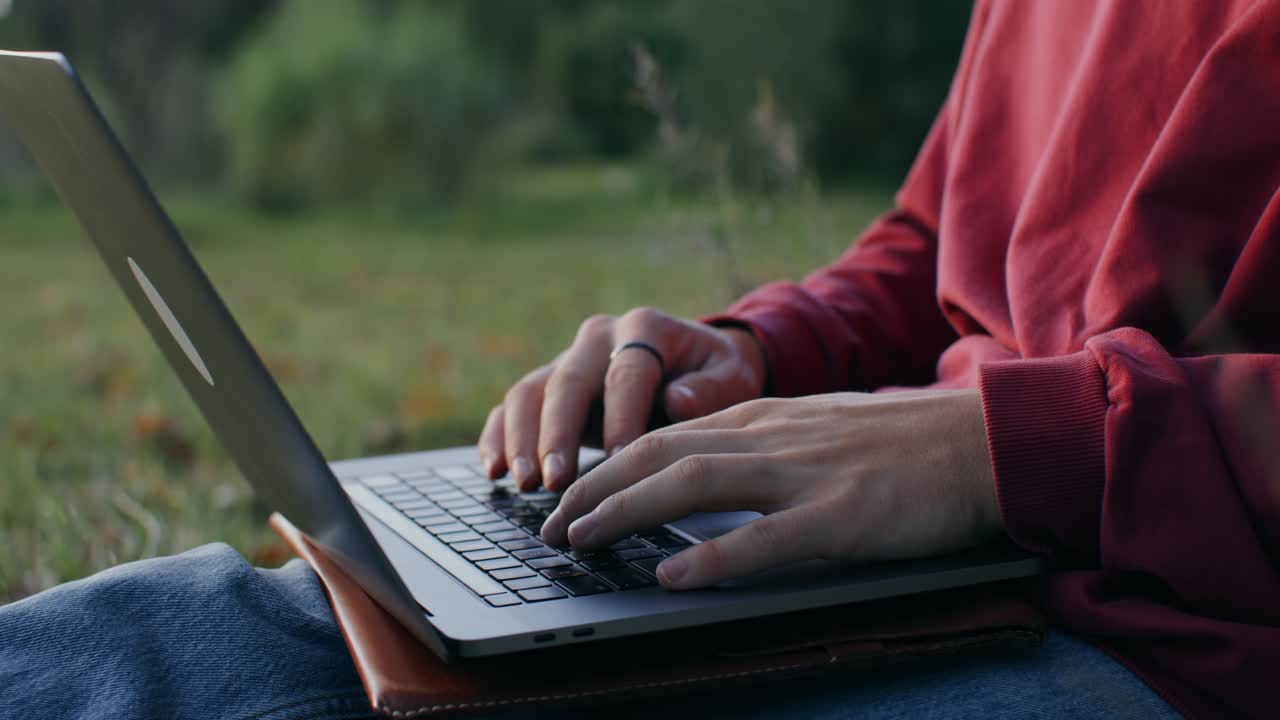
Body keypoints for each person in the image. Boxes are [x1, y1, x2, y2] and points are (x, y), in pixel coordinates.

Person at [2, 0, 1277, 717]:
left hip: (1173, 644)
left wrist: (1014, 448)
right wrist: (756, 347)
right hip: (907, 561)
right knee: (162, 643)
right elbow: (949, 235)